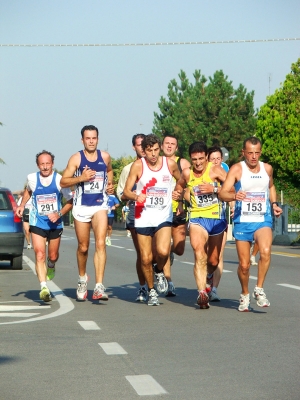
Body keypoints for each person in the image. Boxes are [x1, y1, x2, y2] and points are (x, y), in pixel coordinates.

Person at [219, 136, 282, 312]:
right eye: (250, 153)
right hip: (243, 220)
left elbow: (270, 187)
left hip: (262, 219)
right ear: (243, 153)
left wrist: (274, 204)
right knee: (244, 265)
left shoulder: (267, 168)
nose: (254, 157)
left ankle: (259, 289)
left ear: (260, 152)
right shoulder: (237, 169)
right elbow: (223, 193)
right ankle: (245, 293)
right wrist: (234, 196)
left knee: (266, 251)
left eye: (257, 153)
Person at [123, 134, 181, 306]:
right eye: (150, 151)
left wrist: (178, 191)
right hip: (143, 217)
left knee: (163, 252)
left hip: (163, 215)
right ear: (144, 151)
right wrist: (135, 196)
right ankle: (151, 290)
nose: (153, 154)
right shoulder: (138, 166)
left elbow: (183, 179)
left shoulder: (169, 164)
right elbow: (125, 192)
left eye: (156, 150)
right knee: (146, 258)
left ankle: (159, 270)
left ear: (160, 148)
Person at [60, 125, 114, 302]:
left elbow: (109, 171)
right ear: (82, 140)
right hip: (82, 206)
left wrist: (110, 185)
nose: (91, 141)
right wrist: (81, 178)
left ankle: (99, 286)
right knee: (83, 247)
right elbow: (63, 181)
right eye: (88, 138)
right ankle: (82, 279)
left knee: (100, 243)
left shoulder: (105, 156)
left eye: (94, 138)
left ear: (98, 139)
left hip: (100, 205)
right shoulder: (76, 158)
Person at [175, 141, 228, 309]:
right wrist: (180, 201)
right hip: (197, 218)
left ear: (207, 157)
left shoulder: (215, 170)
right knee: (199, 253)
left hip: (216, 219)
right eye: (194, 159)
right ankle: (202, 293)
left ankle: (209, 277)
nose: (198, 163)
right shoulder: (187, 173)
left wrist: (215, 190)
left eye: (200, 159)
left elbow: (231, 190)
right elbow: (179, 186)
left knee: (213, 261)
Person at [16, 150, 73, 302]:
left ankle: (51, 264)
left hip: (55, 223)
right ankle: (44, 287)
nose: (45, 167)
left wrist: (59, 214)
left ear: (52, 164)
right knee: (39, 254)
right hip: (37, 221)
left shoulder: (60, 180)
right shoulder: (32, 178)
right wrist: (22, 205)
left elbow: (70, 201)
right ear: (38, 165)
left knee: (52, 256)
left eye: (48, 164)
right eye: (42, 164)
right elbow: (28, 190)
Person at [117, 133, 148, 302]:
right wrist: (132, 195)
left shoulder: (157, 166)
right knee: (142, 254)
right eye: (139, 145)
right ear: (133, 147)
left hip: (156, 213)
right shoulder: (128, 169)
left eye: (145, 144)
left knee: (159, 252)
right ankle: (143, 287)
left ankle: (158, 269)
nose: (142, 148)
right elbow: (120, 193)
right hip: (135, 213)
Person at [160, 134, 191, 296]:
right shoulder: (156, 162)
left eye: (173, 144)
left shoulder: (182, 163)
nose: (170, 146)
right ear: (162, 145)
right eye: (167, 143)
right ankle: (168, 281)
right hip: (160, 211)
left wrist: (182, 201)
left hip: (178, 210)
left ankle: (166, 253)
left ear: (177, 147)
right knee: (163, 249)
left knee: (179, 249)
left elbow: (190, 184)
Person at [206, 145, 231, 301]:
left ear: (222, 159)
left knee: (218, 256)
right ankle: (204, 283)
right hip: (202, 218)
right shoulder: (202, 172)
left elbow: (231, 191)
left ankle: (214, 289)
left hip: (220, 217)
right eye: (212, 159)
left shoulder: (225, 174)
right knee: (204, 255)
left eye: (218, 159)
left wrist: (214, 189)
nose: (215, 161)